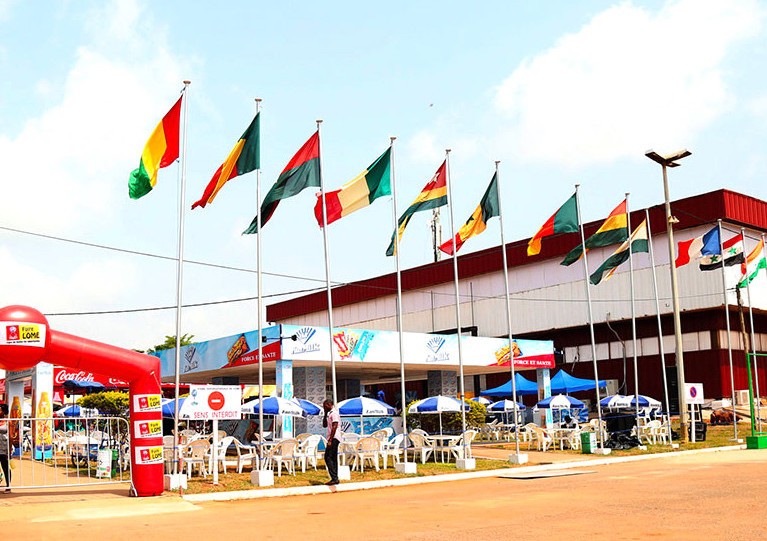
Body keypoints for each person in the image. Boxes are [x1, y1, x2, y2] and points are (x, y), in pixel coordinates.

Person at [322, 399, 341, 486]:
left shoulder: (334, 413)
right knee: (333, 458)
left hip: (334, 438)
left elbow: (335, 425)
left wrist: (330, 440)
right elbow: (324, 425)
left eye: (325, 406)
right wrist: (325, 414)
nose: (324, 407)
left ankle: (334, 477)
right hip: (332, 438)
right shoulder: (329, 414)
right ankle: (335, 478)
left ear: (329, 404)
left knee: (328, 457)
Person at [0, 404, 11, 493]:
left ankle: (8, 485)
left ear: (3, 411)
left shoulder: (8, 421)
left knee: (5, 467)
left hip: (4, 447)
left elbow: (11, 436)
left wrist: (10, 449)